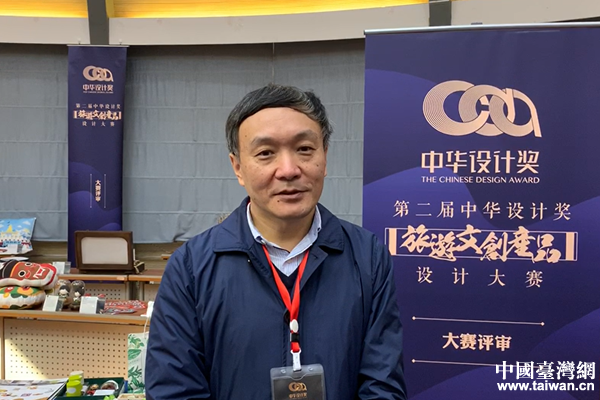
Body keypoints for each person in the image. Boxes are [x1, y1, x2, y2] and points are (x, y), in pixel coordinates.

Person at [145, 84, 407, 400]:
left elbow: (382, 385)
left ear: (325, 157)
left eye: (304, 149)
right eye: (266, 153)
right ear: (238, 168)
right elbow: (175, 390)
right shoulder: (191, 267)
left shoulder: (368, 257)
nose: (288, 170)